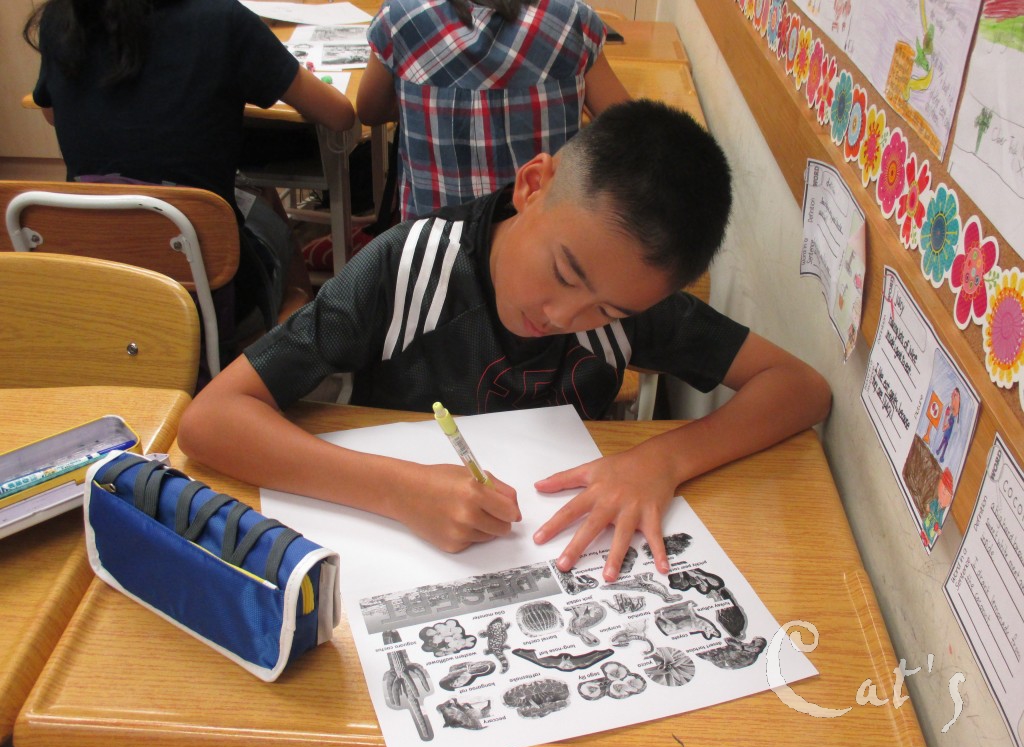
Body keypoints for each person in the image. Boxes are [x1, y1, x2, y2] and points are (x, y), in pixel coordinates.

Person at [178, 99, 832, 583]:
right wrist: (395, 489)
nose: (566, 315)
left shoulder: (628, 301)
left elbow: (799, 388)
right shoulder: (407, 266)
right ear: (532, 186)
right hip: (393, 555)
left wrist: (661, 459)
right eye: (564, 273)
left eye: (607, 309)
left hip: (543, 559)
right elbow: (211, 421)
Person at [22, 0, 355, 365]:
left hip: (97, 283)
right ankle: (287, 349)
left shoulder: (64, 18)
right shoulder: (222, 20)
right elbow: (339, 115)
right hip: (208, 290)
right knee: (265, 206)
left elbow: (51, 113)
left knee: (242, 202)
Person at [356, 0, 630, 221]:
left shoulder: (402, 17)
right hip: (542, 242)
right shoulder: (571, 20)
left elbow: (369, 111)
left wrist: (425, 101)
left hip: (435, 247)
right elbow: (627, 128)